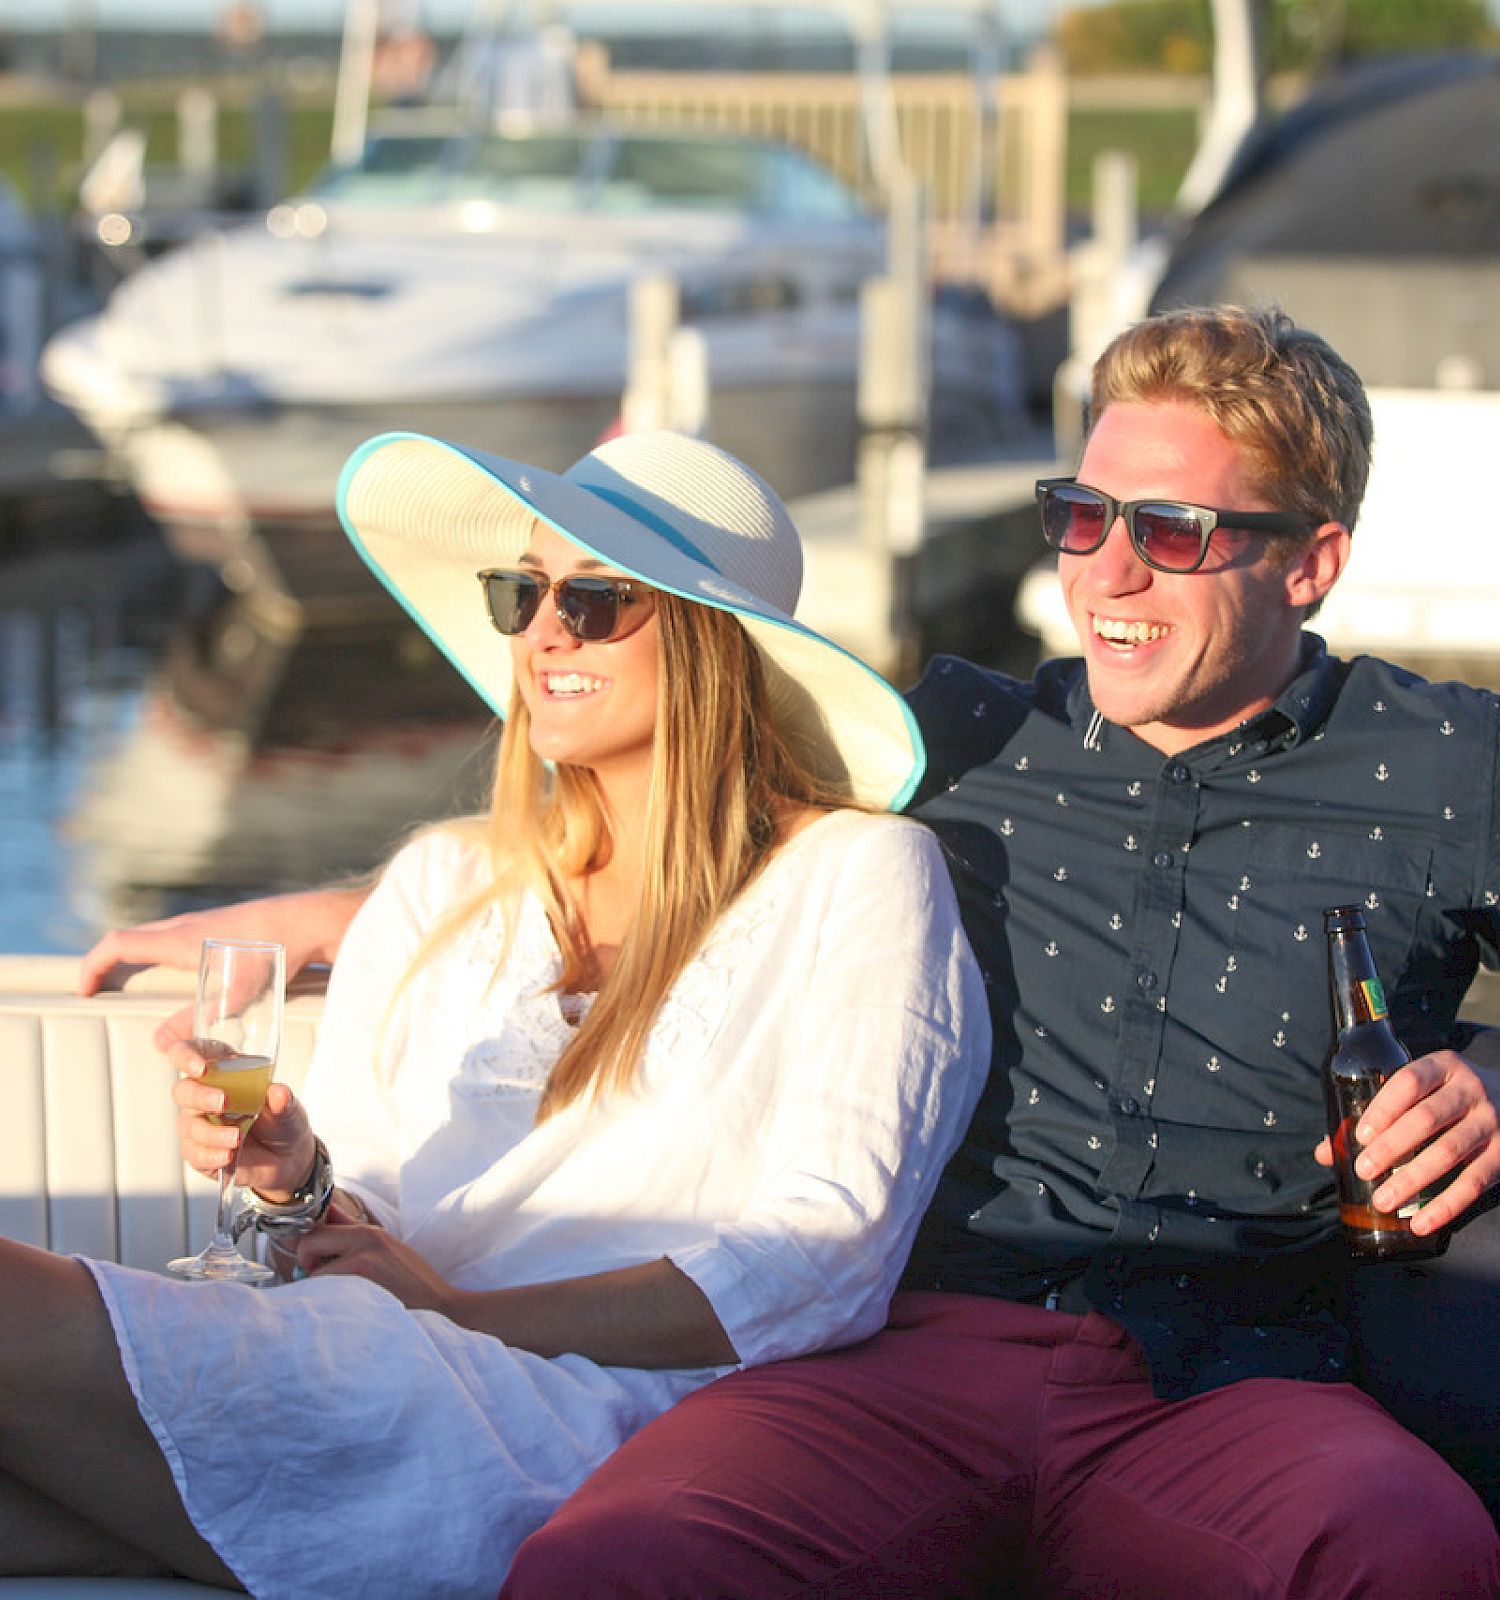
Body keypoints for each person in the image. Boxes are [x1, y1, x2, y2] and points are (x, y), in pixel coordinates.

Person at [79, 305, 1500, 1597]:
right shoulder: (952, 738)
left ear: (1312, 562)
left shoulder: (1446, 766)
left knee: (1409, 1550)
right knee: (615, 1563)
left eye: (1176, 530)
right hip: (909, 1352)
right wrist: (316, 923)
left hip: (1238, 1373)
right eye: (1081, 514)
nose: (1108, 569)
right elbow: (674, 829)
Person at [2, 429, 990, 1594]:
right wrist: (293, 1175)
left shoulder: (860, 875)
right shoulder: (442, 883)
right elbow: (360, 1218)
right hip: (379, 1366)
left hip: (623, 1416)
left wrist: (466, 1310)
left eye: (597, 597)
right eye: (521, 592)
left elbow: (825, 1261)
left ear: (719, 642)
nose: (545, 631)